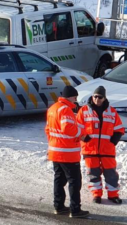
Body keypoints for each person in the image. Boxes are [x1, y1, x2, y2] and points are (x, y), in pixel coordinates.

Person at [46, 85, 89, 219]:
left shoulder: (53, 108)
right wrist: (82, 134)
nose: (76, 101)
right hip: (67, 153)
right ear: (70, 97)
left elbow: (48, 130)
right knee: (74, 181)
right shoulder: (66, 110)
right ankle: (75, 210)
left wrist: (54, 142)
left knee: (59, 179)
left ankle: (58, 207)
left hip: (55, 151)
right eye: (75, 98)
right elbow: (68, 128)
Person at [77, 86, 124, 204]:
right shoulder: (83, 110)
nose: (97, 99)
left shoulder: (112, 111)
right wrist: (85, 138)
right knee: (93, 174)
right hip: (89, 149)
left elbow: (119, 128)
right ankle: (96, 194)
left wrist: (113, 141)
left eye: (100, 97)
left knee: (111, 173)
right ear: (92, 96)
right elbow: (77, 128)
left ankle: (113, 195)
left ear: (104, 98)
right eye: (95, 96)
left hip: (107, 149)